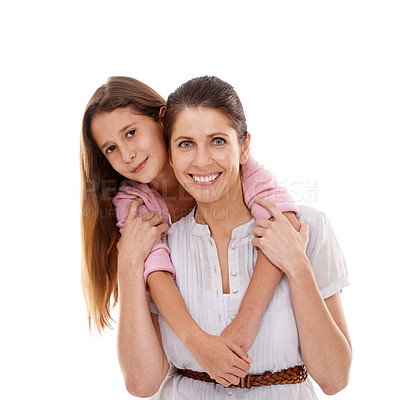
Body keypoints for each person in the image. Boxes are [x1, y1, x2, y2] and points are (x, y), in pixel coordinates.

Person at [115, 76, 352, 399]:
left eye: (218, 141)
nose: (202, 160)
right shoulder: (161, 247)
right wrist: (128, 263)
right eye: (186, 144)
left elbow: (334, 378)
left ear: (244, 146)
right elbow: (142, 383)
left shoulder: (308, 226)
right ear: (170, 155)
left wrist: (296, 263)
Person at [80, 76, 301, 385]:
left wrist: (245, 324)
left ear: (161, 119)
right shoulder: (131, 201)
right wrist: (197, 342)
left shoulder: (227, 165)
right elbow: (156, 270)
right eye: (111, 149)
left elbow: (283, 224)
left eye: (131, 133)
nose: (127, 155)